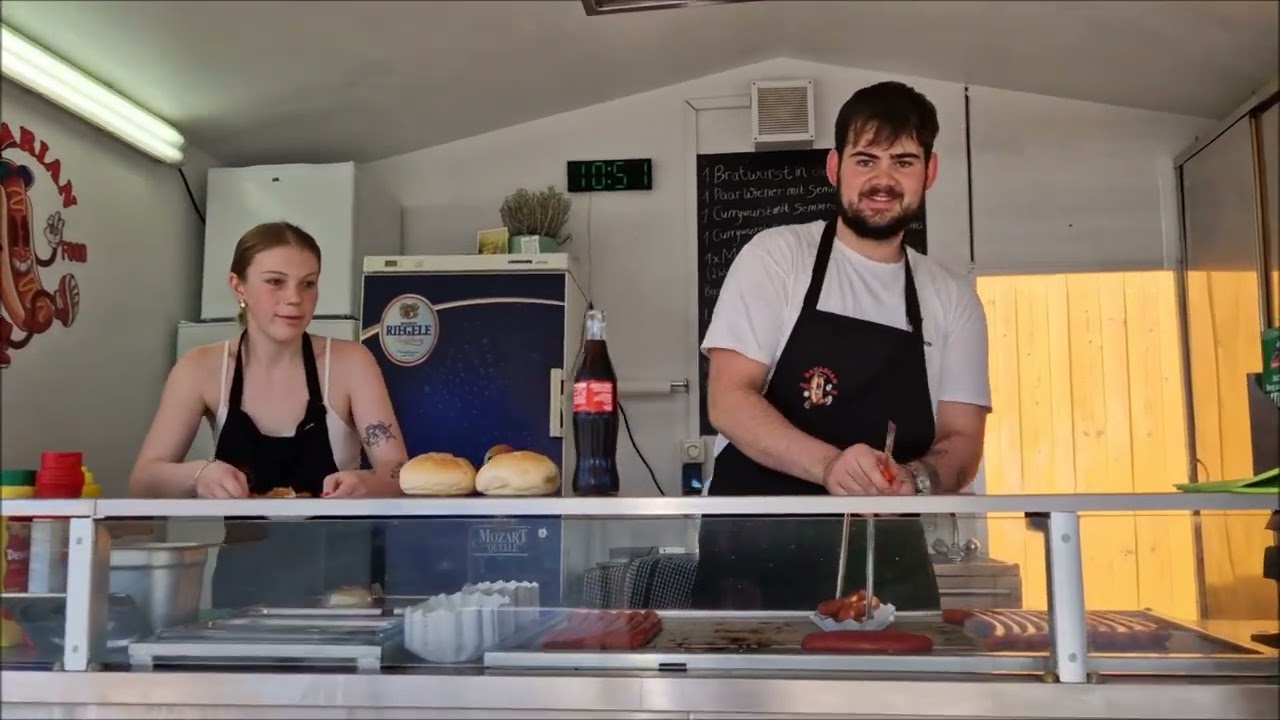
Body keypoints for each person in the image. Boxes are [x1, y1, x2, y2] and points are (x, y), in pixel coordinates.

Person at [691, 82, 992, 612]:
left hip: (887, 559)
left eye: (903, 161)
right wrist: (832, 467)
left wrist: (918, 480)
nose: (883, 179)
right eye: (865, 159)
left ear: (930, 171)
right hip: (757, 555)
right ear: (834, 168)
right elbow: (729, 400)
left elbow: (964, 438)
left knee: (894, 695)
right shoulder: (776, 257)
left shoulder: (952, 300)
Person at [128, 221, 409, 608]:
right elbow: (144, 481)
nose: (294, 299)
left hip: (344, 588)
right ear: (238, 286)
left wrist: (367, 483)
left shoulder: (350, 363)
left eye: (307, 283)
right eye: (275, 281)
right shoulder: (202, 368)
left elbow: (397, 471)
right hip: (244, 588)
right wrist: (199, 474)